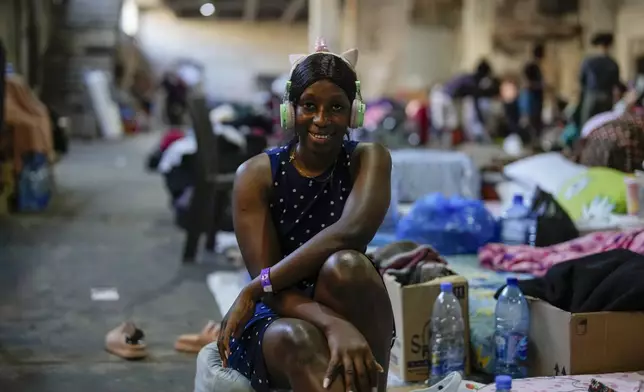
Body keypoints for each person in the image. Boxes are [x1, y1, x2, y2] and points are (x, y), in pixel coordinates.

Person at [216, 39, 395, 392]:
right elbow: (271, 290)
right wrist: (332, 325)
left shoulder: (368, 158)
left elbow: (351, 232)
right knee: (295, 337)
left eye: (336, 107)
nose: (322, 120)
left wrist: (255, 286)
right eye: (309, 106)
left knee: (347, 265)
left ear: (354, 114)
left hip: (343, 298)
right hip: (278, 307)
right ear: (289, 111)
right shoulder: (257, 175)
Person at [430, 59, 495, 145]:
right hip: (442, 96)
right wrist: (482, 122)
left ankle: (443, 144)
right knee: (441, 123)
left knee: (449, 123)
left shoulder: (469, 78)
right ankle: (437, 144)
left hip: (445, 97)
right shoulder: (472, 82)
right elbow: (476, 106)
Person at [578, 32, 621, 126]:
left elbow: (582, 81)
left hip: (591, 96)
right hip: (607, 97)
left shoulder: (589, 62)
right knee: (604, 124)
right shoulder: (613, 63)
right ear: (609, 46)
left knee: (587, 125)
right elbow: (616, 85)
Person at [519, 43, 546, 137]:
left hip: (536, 98)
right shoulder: (530, 66)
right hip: (531, 97)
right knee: (531, 120)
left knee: (537, 120)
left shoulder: (536, 66)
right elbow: (526, 83)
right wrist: (539, 85)